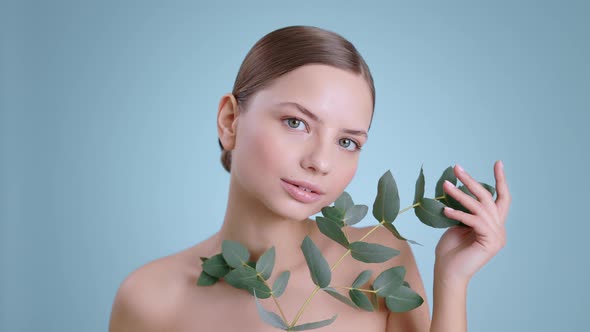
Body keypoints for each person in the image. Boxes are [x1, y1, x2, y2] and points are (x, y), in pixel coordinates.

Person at [108, 25, 511, 332]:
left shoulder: (379, 263)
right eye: (296, 122)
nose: (320, 161)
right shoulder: (150, 298)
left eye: (348, 142)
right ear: (230, 121)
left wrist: (453, 278)